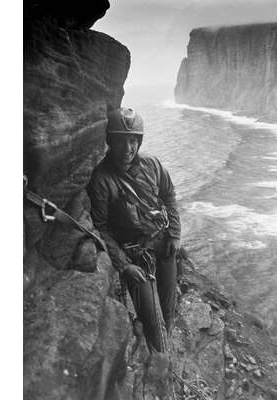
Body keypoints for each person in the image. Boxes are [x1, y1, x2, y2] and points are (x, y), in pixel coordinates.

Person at [86, 107, 181, 352]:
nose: (127, 149)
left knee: (168, 309)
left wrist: (174, 234)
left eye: (132, 141)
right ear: (111, 142)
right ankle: (159, 353)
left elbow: (169, 195)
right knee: (153, 324)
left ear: (139, 142)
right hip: (136, 257)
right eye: (121, 141)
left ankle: (165, 350)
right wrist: (124, 265)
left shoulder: (152, 165)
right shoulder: (102, 180)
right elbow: (101, 228)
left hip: (163, 244)